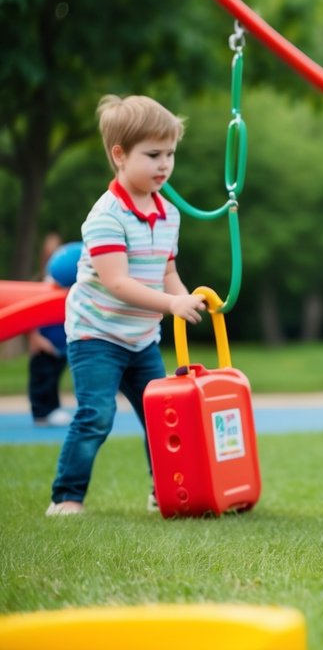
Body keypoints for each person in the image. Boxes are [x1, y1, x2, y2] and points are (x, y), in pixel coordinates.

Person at [46, 95, 206, 516]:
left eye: (170, 154)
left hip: (140, 337)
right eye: (153, 154)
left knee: (162, 418)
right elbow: (117, 282)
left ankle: (166, 491)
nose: (164, 164)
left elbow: (167, 272)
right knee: (96, 415)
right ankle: (66, 497)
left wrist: (186, 299)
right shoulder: (106, 216)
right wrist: (171, 303)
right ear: (119, 155)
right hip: (96, 333)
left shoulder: (168, 213)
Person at [27, 236, 83, 427]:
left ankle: (52, 408)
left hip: (62, 340)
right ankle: (42, 411)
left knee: (54, 374)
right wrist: (35, 338)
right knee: (43, 375)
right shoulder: (42, 285)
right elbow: (28, 315)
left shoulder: (70, 286)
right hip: (45, 341)